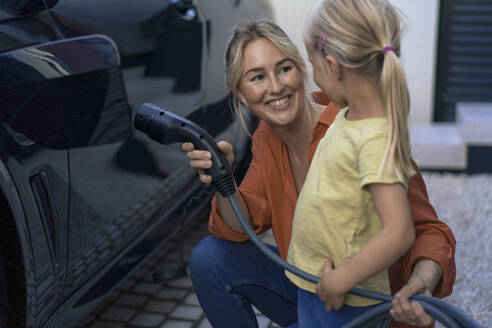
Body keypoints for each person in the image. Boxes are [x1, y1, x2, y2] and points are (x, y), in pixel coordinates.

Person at [182, 18, 456, 328]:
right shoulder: (267, 138)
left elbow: (426, 229)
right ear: (241, 92)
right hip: (314, 292)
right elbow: (240, 228)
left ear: (303, 68)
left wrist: (422, 282)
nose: (275, 86)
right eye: (257, 77)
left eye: (284, 68)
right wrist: (224, 179)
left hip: (372, 307)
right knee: (210, 258)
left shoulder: (356, 128)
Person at [283, 0, 434, 326]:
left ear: (334, 66)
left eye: (313, 65)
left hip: (346, 299)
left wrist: (343, 279)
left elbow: (399, 231)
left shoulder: (374, 138)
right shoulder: (350, 116)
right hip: (317, 285)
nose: (314, 78)